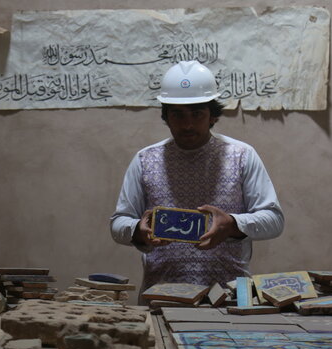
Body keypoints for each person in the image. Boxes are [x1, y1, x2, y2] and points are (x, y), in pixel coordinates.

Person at [110, 61, 284, 301]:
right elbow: (118, 223)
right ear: (166, 117)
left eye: (197, 114)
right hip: (161, 297)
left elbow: (274, 220)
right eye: (178, 115)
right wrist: (138, 231)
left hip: (230, 299)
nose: (188, 124)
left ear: (212, 116)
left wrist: (232, 224)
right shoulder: (145, 160)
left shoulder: (242, 156)